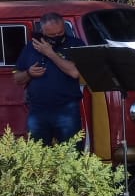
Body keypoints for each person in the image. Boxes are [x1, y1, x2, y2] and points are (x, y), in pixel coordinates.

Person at [13, 12, 84, 146]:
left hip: (67, 110)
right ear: (43, 31)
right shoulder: (31, 47)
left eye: (60, 32)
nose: (57, 36)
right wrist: (29, 73)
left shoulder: (75, 44)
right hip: (38, 111)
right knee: (38, 152)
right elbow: (17, 78)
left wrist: (50, 53)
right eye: (52, 35)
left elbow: (75, 72)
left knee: (72, 151)